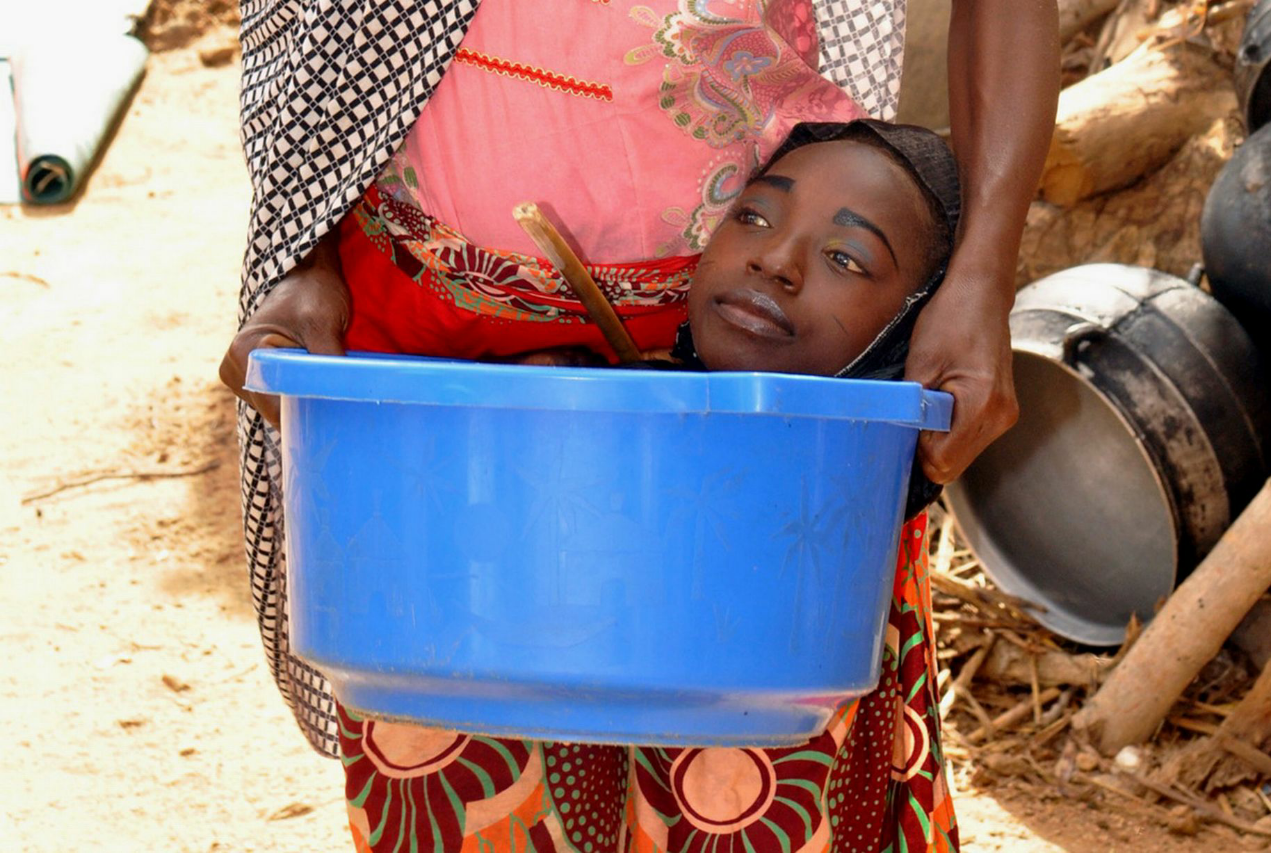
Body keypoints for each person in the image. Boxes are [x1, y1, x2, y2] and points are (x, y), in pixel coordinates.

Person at [220, 0, 1058, 849]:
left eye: (842, 253)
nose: (779, 252)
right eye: (766, 223)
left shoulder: (783, 293)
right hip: (437, 403)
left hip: (761, 408)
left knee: (744, 779)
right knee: (465, 777)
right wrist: (304, 257)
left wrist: (983, 276)